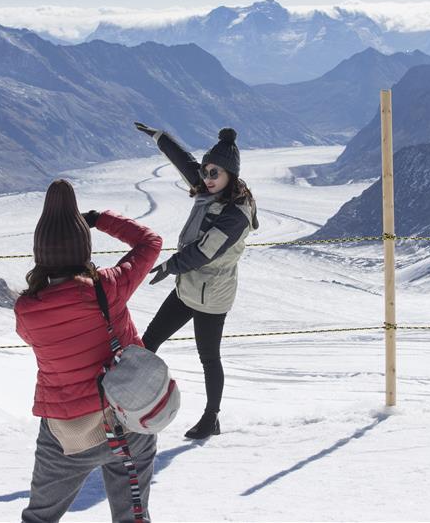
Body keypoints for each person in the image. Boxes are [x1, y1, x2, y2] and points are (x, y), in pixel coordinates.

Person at [16, 179, 163, 523]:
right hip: (129, 421)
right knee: (133, 518)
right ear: (83, 249)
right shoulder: (109, 287)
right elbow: (150, 242)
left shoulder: (27, 309)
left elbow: (34, 339)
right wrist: (98, 218)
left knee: (39, 518)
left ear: (41, 255)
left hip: (69, 434)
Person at [134, 123, 259, 440]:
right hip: (188, 286)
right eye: (206, 172)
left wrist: (170, 266)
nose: (206, 177)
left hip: (213, 295)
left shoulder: (237, 214)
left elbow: (205, 251)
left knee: (208, 357)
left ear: (230, 173)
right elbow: (187, 163)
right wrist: (161, 138)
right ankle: (135, 408)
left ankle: (211, 418)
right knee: (148, 343)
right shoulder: (210, 187)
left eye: (214, 172)